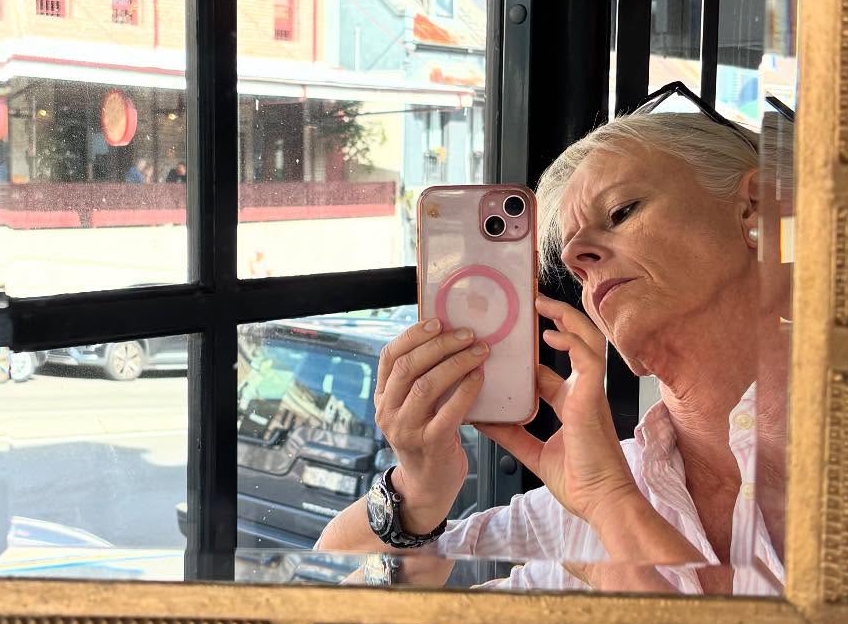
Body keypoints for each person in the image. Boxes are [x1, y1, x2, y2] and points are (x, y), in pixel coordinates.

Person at [318, 103, 788, 594]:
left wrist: (616, 523)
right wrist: (415, 493)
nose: (573, 255)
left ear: (753, 209)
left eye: (620, 212)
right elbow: (335, 601)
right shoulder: (590, 489)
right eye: (573, 268)